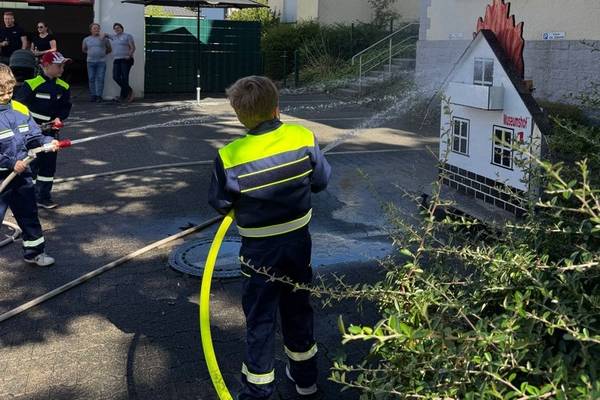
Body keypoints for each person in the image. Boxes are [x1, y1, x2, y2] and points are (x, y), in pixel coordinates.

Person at [208, 76, 331, 400]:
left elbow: (220, 203)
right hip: (298, 244)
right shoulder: (302, 136)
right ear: (278, 107)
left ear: (239, 115)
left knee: (261, 318)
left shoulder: (230, 156)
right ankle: (306, 380)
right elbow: (320, 182)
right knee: (298, 308)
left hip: (259, 253)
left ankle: (258, 391)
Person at [0, 63, 59, 266]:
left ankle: (34, 252)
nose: (6, 97)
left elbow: (33, 135)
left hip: (22, 174)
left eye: (10, 91)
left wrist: (47, 142)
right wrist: (10, 162)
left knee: (28, 214)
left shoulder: (20, 109)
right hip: (3, 175)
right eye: (1, 93)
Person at [14, 51, 72, 210]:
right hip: (32, 133)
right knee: (32, 164)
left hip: (51, 132)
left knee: (48, 166)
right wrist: (27, 124)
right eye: (58, 66)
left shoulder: (64, 86)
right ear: (46, 66)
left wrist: (59, 118)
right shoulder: (31, 84)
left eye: (63, 66)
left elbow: (65, 106)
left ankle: (44, 197)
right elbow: (18, 105)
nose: (62, 69)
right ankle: (27, 198)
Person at [104, 23, 135, 102]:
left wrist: (129, 55)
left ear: (122, 28)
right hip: (117, 59)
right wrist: (101, 35)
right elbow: (106, 35)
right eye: (115, 28)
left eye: (118, 27)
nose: (117, 29)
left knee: (125, 78)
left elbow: (133, 47)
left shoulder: (127, 36)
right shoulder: (113, 37)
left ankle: (123, 96)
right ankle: (130, 91)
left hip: (126, 59)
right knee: (115, 77)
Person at [82, 23, 111, 102]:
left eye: (98, 28)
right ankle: (93, 95)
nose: (96, 30)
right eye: (94, 28)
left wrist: (102, 54)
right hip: (90, 62)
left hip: (101, 62)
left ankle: (99, 96)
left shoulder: (104, 39)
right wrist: (91, 53)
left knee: (100, 78)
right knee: (91, 78)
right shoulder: (86, 39)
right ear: (90, 30)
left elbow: (109, 49)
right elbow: (84, 49)